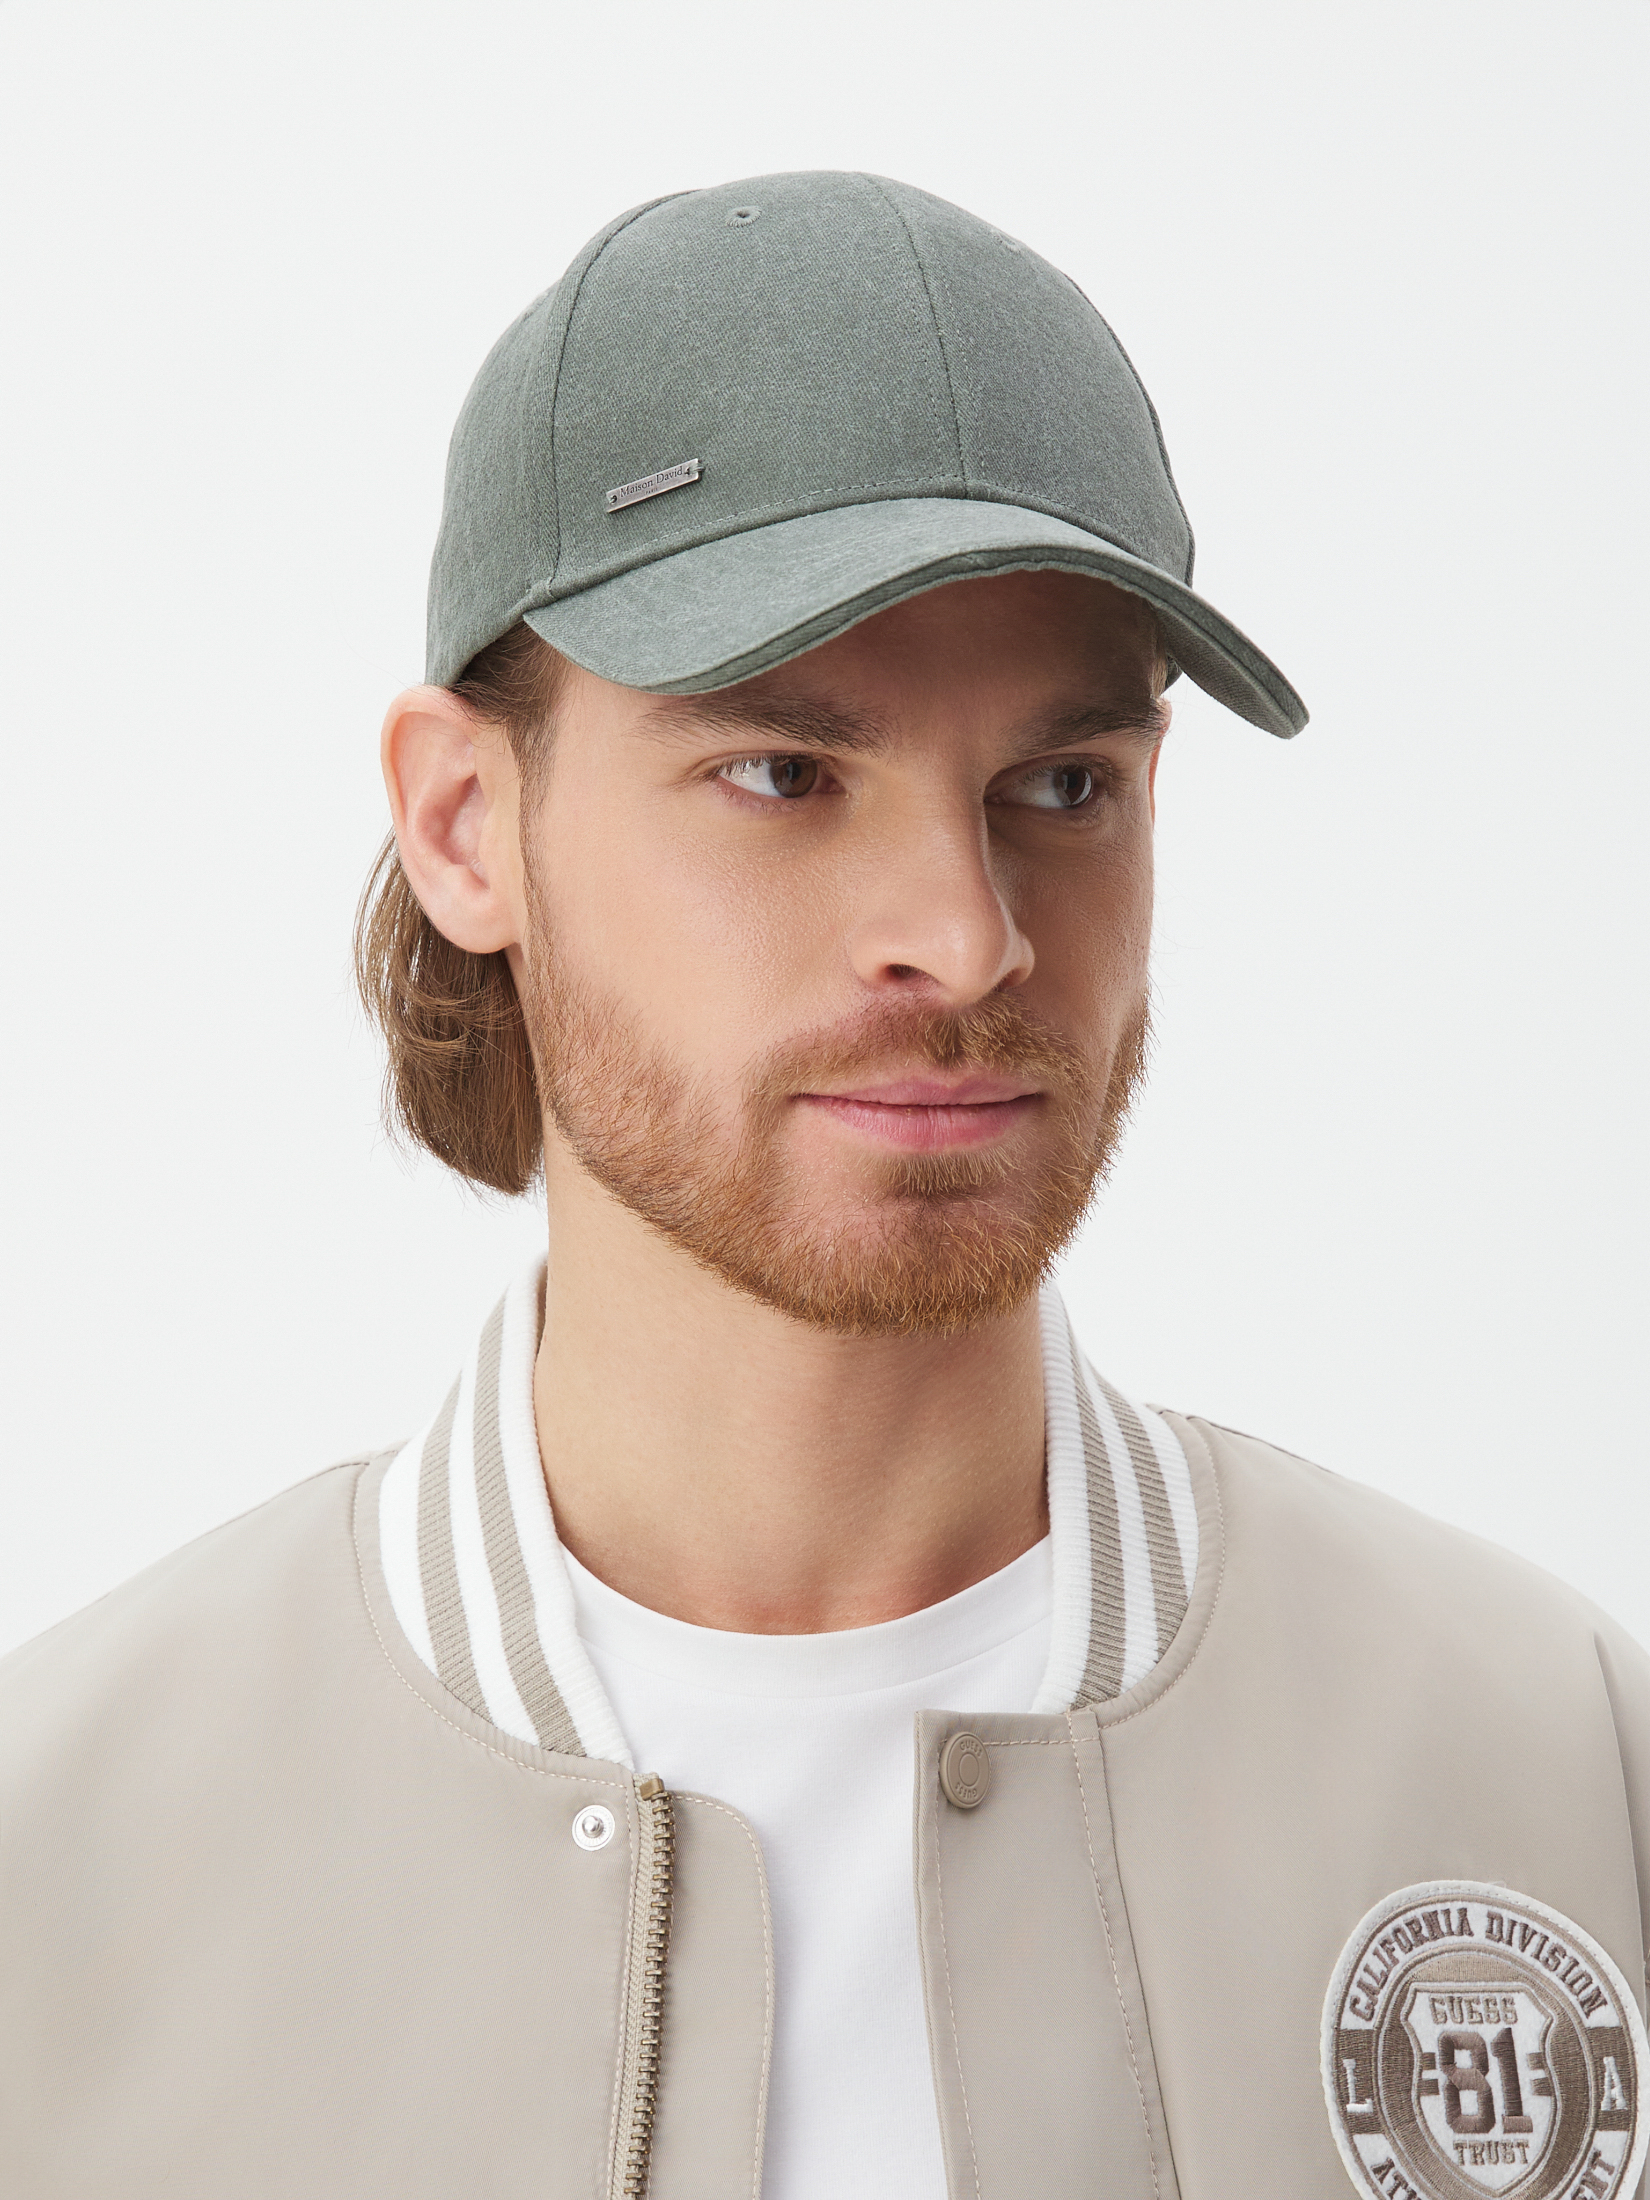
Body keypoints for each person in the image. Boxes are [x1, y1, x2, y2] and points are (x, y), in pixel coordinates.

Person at [2, 171, 1645, 2200]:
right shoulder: (56, 1867)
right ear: (465, 825)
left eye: (1063, 784)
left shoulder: (1559, 1766)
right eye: (783, 774)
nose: (964, 935)